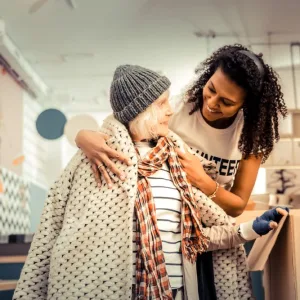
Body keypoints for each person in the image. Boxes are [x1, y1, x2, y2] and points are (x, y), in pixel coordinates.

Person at [14, 65, 288, 300]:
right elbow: (55, 233)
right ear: (140, 111)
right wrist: (81, 136)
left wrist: (249, 229)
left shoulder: (176, 164)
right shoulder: (96, 162)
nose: (171, 111)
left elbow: (194, 239)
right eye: (161, 103)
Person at [75, 44, 287, 218]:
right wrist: (82, 137)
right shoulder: (177, 108)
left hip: (209, 225)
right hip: (163, 216)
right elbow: (125, 125)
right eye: (211, 89)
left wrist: (202, 180)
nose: (211, 103)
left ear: (245, 104)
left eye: (226, 102)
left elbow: (237, 205)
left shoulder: (251, 137)